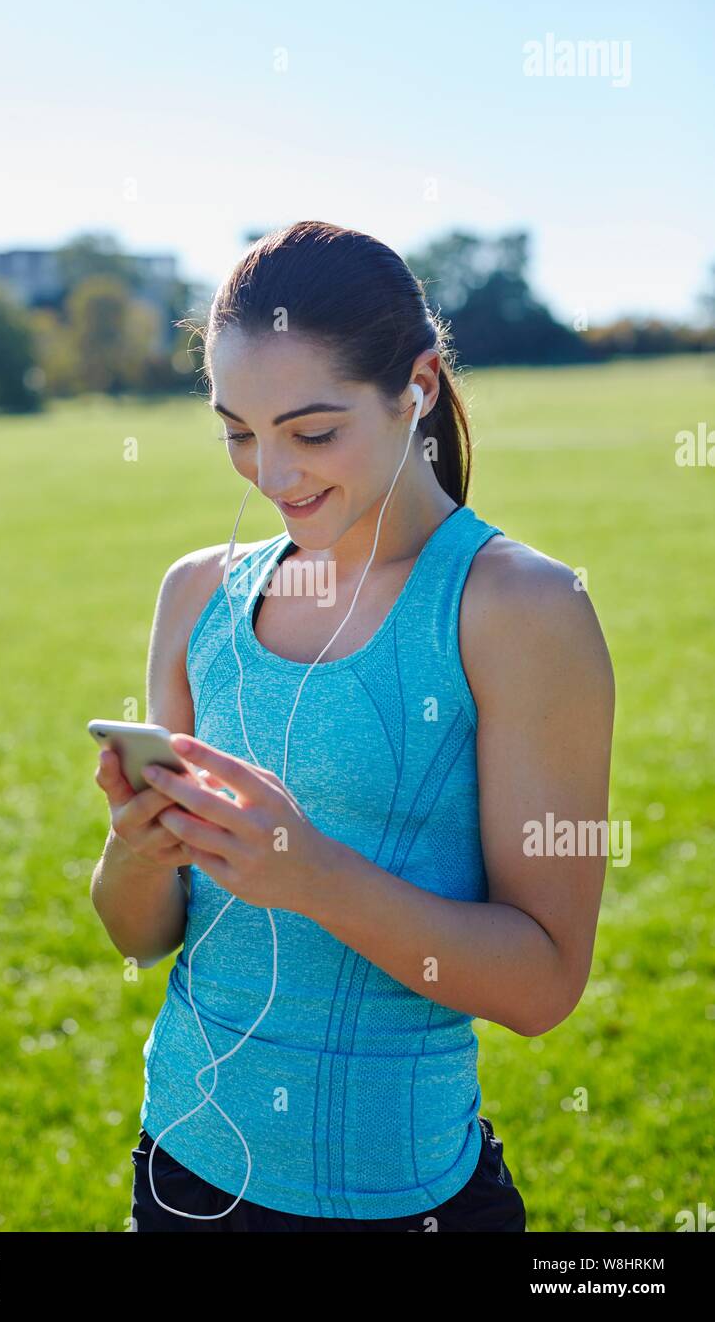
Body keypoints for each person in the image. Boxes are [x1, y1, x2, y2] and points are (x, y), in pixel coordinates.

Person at [90, 220, 615, 1232]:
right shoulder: (193, 593)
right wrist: (136, 847)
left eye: (311, 431)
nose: (271, 473)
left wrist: (309, 874)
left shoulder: (521, 609)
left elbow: (543, 982)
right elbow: (136, 932)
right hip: (178, 1175)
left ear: (414, 385)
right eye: (237, 431)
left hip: (397, 1200)